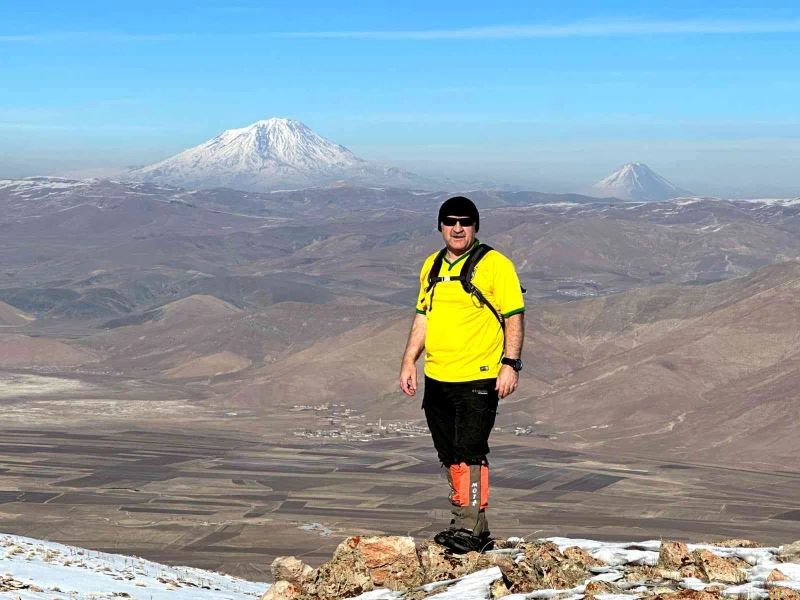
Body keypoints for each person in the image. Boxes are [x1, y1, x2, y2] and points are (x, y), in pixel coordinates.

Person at [399, 195, 525, 554]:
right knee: (449, 452)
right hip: (438, 375)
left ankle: (470, 526)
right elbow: (424, 315)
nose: (458, 228)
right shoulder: (432, 266)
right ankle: (466, 522)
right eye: (450, 221)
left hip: (478, 375)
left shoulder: (495, 265)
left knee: (470, 451)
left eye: (465, 222)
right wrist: (410, 360)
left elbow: (514, 314)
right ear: (440, 226)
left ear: (475, 226)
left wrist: (510, 364)